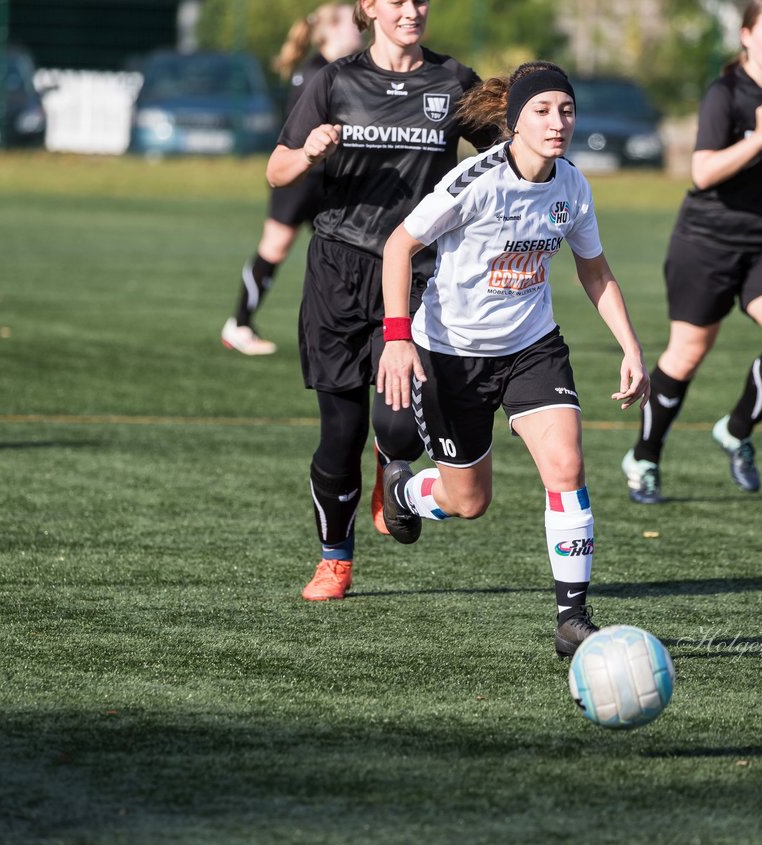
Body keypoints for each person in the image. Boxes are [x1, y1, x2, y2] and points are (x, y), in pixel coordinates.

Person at [376, 61, 650, 657]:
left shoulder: (573, 186)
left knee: (567, 467)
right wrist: (397, 337)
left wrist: (631, 347)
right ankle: (404, 493)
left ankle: (572, 618)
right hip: (452, 355)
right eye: (543, 111)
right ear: (515, 120)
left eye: (567, 111)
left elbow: (594, 270)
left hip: (532, 348)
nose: (558, 123)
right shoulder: (476, 182)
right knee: (469, 502)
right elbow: (399, 245)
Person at [265, 0, 497, 601]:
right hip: (339, 271)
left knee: (399, 429)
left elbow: (506, 150)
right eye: (396, 0)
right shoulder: (334, 80)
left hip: (418, 276)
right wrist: (310, 152)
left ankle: (388, 465)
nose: (412, 10)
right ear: (369, 8)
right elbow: (276, 170)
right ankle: (334, 559)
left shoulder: (453, 82)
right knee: (338, 434)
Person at [620, 0, 762, 505]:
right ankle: (643, 457)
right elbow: (703, 172)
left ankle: (736, 429)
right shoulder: (724, 94)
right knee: (687, 355)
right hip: (706, 242)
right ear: (747, 36)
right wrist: (760, 136)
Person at [220, 3, 362, 356]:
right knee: (275, 247)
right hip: (303, 178)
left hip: (325, 181)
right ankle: (239, 324)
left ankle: (351, 330)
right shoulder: (319, 73)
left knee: (344, 253)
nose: (360, 29)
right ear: (328, 31)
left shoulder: (338, 70)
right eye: (351, 23)